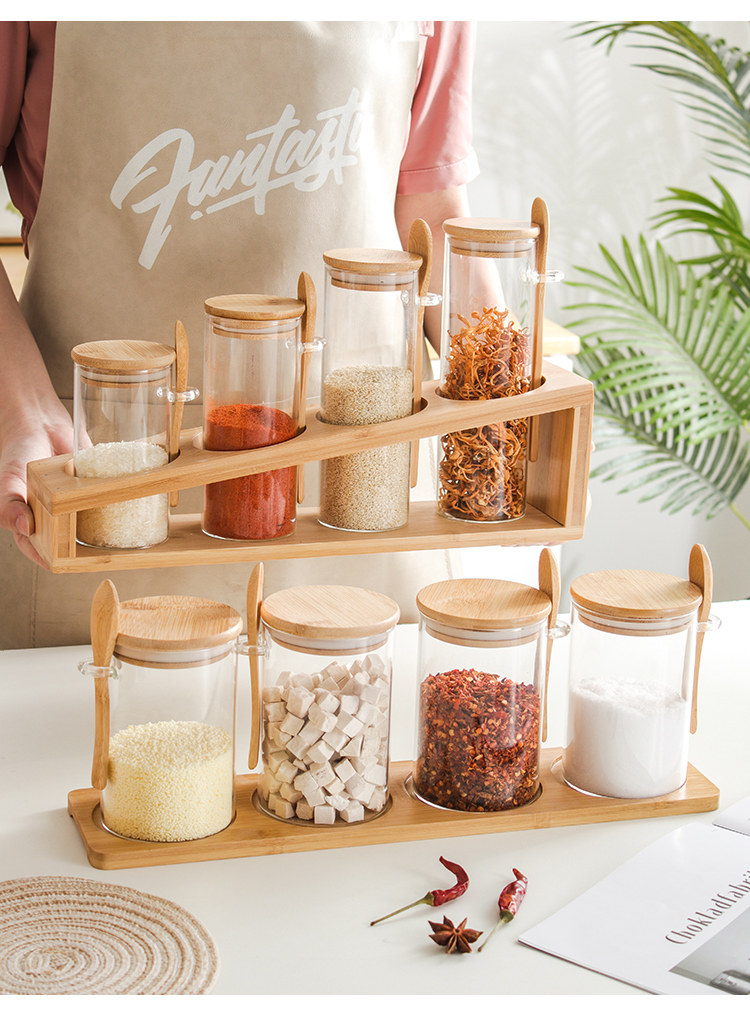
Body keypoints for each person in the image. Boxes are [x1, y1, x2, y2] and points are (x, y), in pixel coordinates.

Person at [0, 21, 479, 648]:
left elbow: (431, 210)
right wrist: (22, 409)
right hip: (97, 464)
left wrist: (504, 390)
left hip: (361, 474)